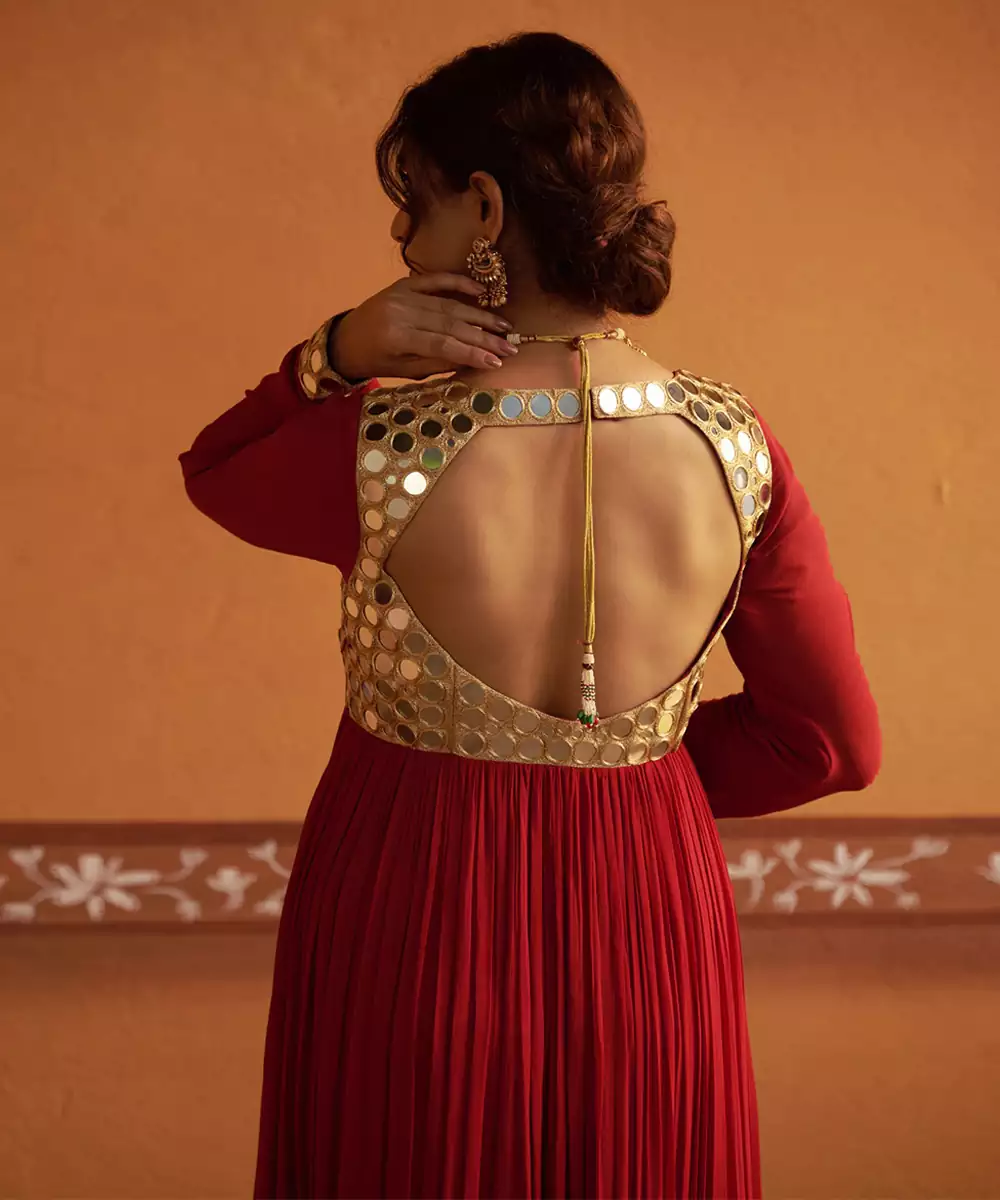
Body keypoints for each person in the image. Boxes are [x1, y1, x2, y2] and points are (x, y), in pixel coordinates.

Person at [179, 30, 880, 1200]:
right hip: (649, 900)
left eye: (413, 200)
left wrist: (337, 349)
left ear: (485, 207)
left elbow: (214, 469)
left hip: (411, 893)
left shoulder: (374, 444)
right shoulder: (740, 448)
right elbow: (832, 745)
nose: (398, 232)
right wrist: (630, 777)